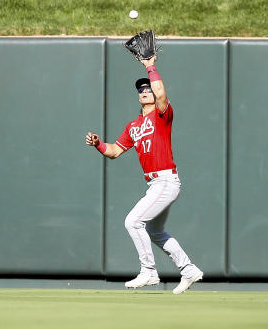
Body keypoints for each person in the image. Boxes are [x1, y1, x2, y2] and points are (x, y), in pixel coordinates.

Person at [85, 56, 203, 294]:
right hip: (155, 184)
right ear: (138, 96)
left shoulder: (161, 115)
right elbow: (115, 151)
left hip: (166, 180)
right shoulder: (133, 126)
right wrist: (98, 144)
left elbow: (161, 96)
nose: (145, 91)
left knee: (133, 221)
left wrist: (150, 66)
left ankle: (148, 271)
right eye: (141, 90)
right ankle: (189, 270)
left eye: (148, 88)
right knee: (154, 230)